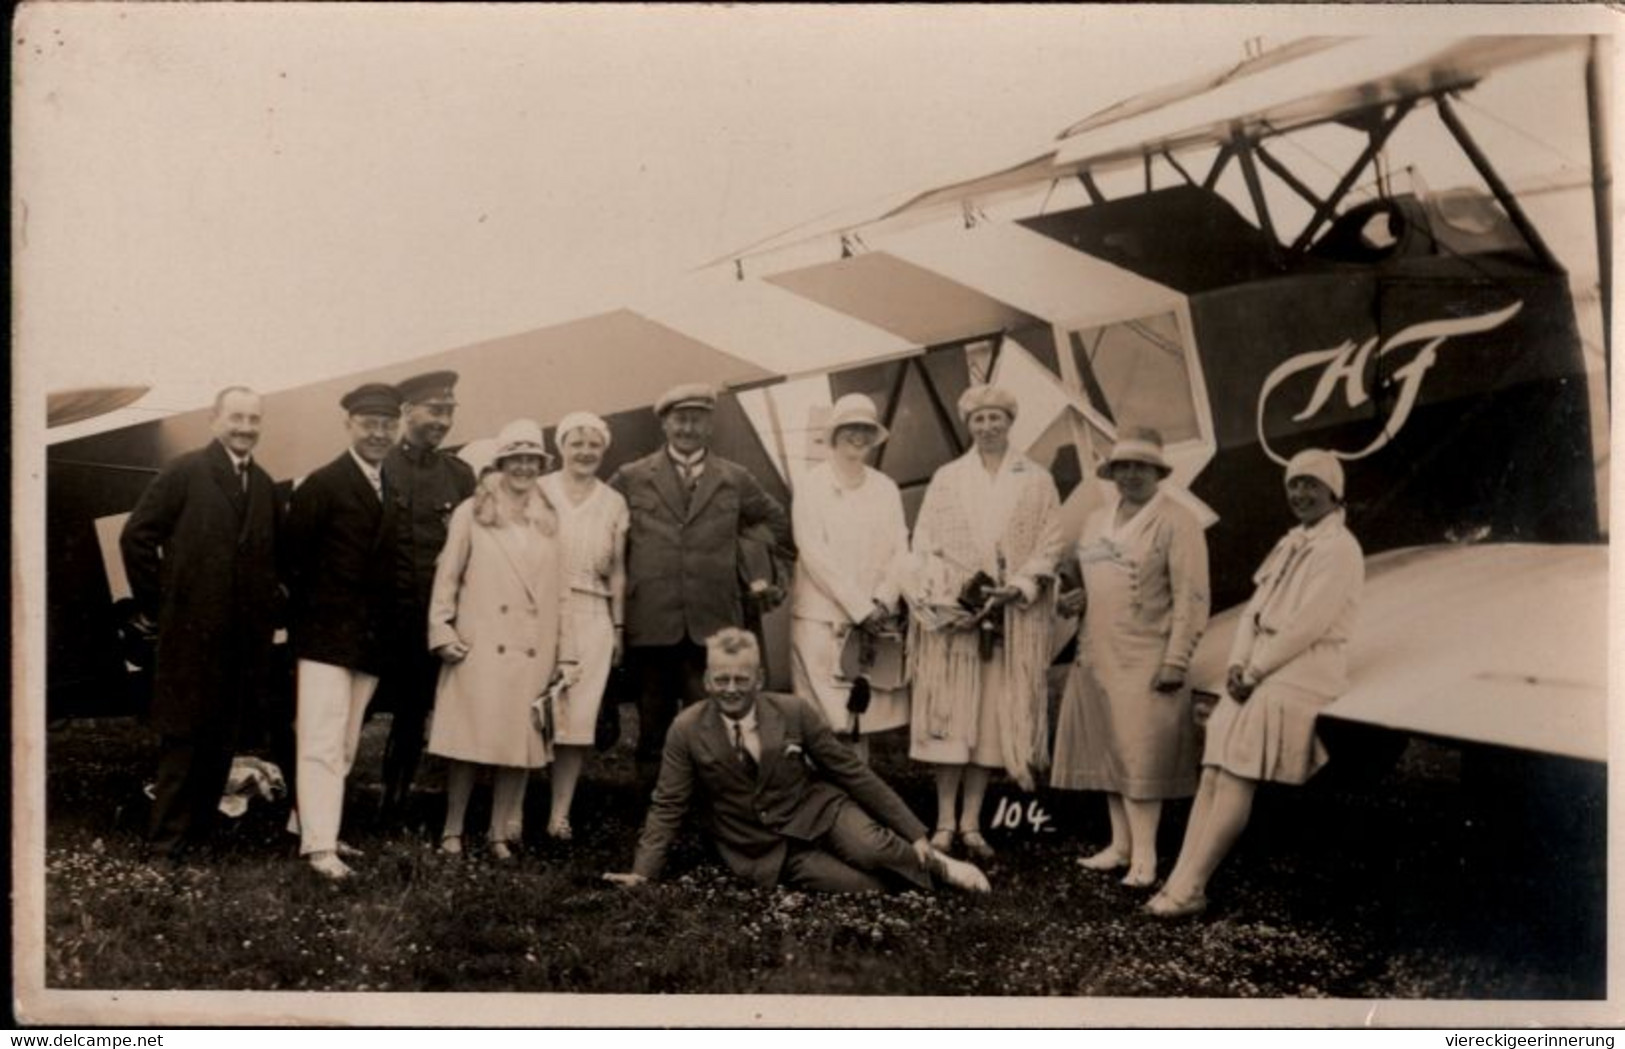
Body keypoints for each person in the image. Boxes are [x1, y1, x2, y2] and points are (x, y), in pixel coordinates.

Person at [604, 628, 989, 894]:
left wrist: (915, 832)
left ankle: (940, 866)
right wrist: (643, 872)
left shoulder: (792, 711)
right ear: (707, 681)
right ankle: (910, 877)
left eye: (742, 679)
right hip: (762, 845)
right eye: (722, 680)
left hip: (819, 810)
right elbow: (668, 804)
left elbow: (850, 772)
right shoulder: (686, 729)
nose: (731, 689)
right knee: (864, 888)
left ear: (760, 678)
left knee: (872, 849)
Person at [1147, 449, 1363, 918]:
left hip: (1303, 669)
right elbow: (1254, 611)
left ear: (1333, 491)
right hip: (1260, 668)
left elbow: (1308, 624)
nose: (1300, 494)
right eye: (1293, 486)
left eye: (1310, 485)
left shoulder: (1339, 549)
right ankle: (1180, 881)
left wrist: (1256, 671)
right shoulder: (1292, 542)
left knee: (1236, 770)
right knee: (1213, 770)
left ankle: (1192, 886)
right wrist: (1238, 661)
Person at [120, 386, 281, 862]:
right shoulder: (186, 471)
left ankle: (202, 836)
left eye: (253, 419)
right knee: (183, 738)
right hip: (190, 635)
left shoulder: (265, 484)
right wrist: (165, 602)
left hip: (241, 641)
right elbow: (137, 536)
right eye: (236, 417)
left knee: (221, 739)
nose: (245, 428)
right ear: (214, 420)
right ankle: (166, 846)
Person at [906, 384, 1062, 861]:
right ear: (968, 424)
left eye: (996, 417)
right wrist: (952, 592)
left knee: (992, 718)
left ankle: (973, 823)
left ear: (1010, 422)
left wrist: (1020, 585)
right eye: (979, 419)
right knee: (951, 715)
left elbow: (1050, 543)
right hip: (958, 620)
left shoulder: (1036, 479)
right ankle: (943, 822)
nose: (988, 426)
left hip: (1009, 618)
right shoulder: (948, 478)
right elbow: (924, 542)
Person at [608, 383, 794, 781]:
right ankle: (656, 821)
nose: (688, 428)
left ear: (709, 425)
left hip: (714, 626)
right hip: (653, 624)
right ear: (664, 424)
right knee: (653, 729)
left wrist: (744, 555)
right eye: (680, 419)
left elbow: (775, 522)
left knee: (711, 730)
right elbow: (600, 529)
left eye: (697, 419)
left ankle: (712, 817)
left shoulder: (735, 478)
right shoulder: (632, 476)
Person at [1050, 427, 1210, 888]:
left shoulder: (1178, 521)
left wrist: (1177, 659)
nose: (1132, 474)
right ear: (1112, 472)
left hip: (1149, 653)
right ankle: (1119, 847)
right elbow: (1085, 583)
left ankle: (1146, 858)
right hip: (1098, 649)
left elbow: (1192, 595)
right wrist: (1073, 600)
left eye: (1141, 466)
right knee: (1109, 749)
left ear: (1158, 471)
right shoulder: (1097, 519)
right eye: (1124, 466)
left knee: (1141, 753)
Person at [427, 419, 571, 859]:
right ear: (501, 462)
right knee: (468, 741)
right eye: (516, 458)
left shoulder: (549, 516)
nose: (524, 466)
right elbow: (447, 575)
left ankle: (497, 834)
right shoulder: (473, 511)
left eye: (532, 459)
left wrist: (568, 654)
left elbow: (560, 591)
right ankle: (452, 830)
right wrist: (441, 628)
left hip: (532, 644)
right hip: (481, 639)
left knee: (517, 744)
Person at [281, 383, 403, 880]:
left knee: (347, 740)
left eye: (387, 424)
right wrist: (320, 617)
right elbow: (291, 562)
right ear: (349, 425)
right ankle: (319, 847)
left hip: (368, 639)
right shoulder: (322, 485)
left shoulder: (387, 484)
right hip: (327, 636)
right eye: (369, 423)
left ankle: (307, 822)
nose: (379, 433)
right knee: (321, 738)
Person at [375, 370, 478, 826]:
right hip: (381, 618)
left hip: (432, 620)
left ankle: (394, 804)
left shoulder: (459, 476)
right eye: (435, 411)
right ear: (406, 412)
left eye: (449, 412)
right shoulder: (379, 467)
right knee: (353, 713)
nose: (443, 421)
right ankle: (319, 807)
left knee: (414, 714)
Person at [789, 394, 911, 762]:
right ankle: (819, 804)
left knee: (861, 717)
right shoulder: (811, 485)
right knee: (823, 717)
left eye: (865, 429)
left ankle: (858, 804)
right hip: (821, 617)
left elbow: (900, 548)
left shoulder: (885, 487)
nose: (857, 436)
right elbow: (813, 552)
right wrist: (859, 607)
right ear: (835, 434)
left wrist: (882, 601)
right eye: (850, 428)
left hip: (873, 620)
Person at [538, 410, 629, 841]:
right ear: (561, 447)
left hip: (594, 612)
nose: (585, 451)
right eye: (577, 442)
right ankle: (512, 814)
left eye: (594, 444)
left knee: (577, 720)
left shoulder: (613, 501)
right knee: (532, 713)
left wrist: (618, 627)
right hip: (540, 610)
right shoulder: (539, 490)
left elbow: (618, 571)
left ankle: (559, 814)